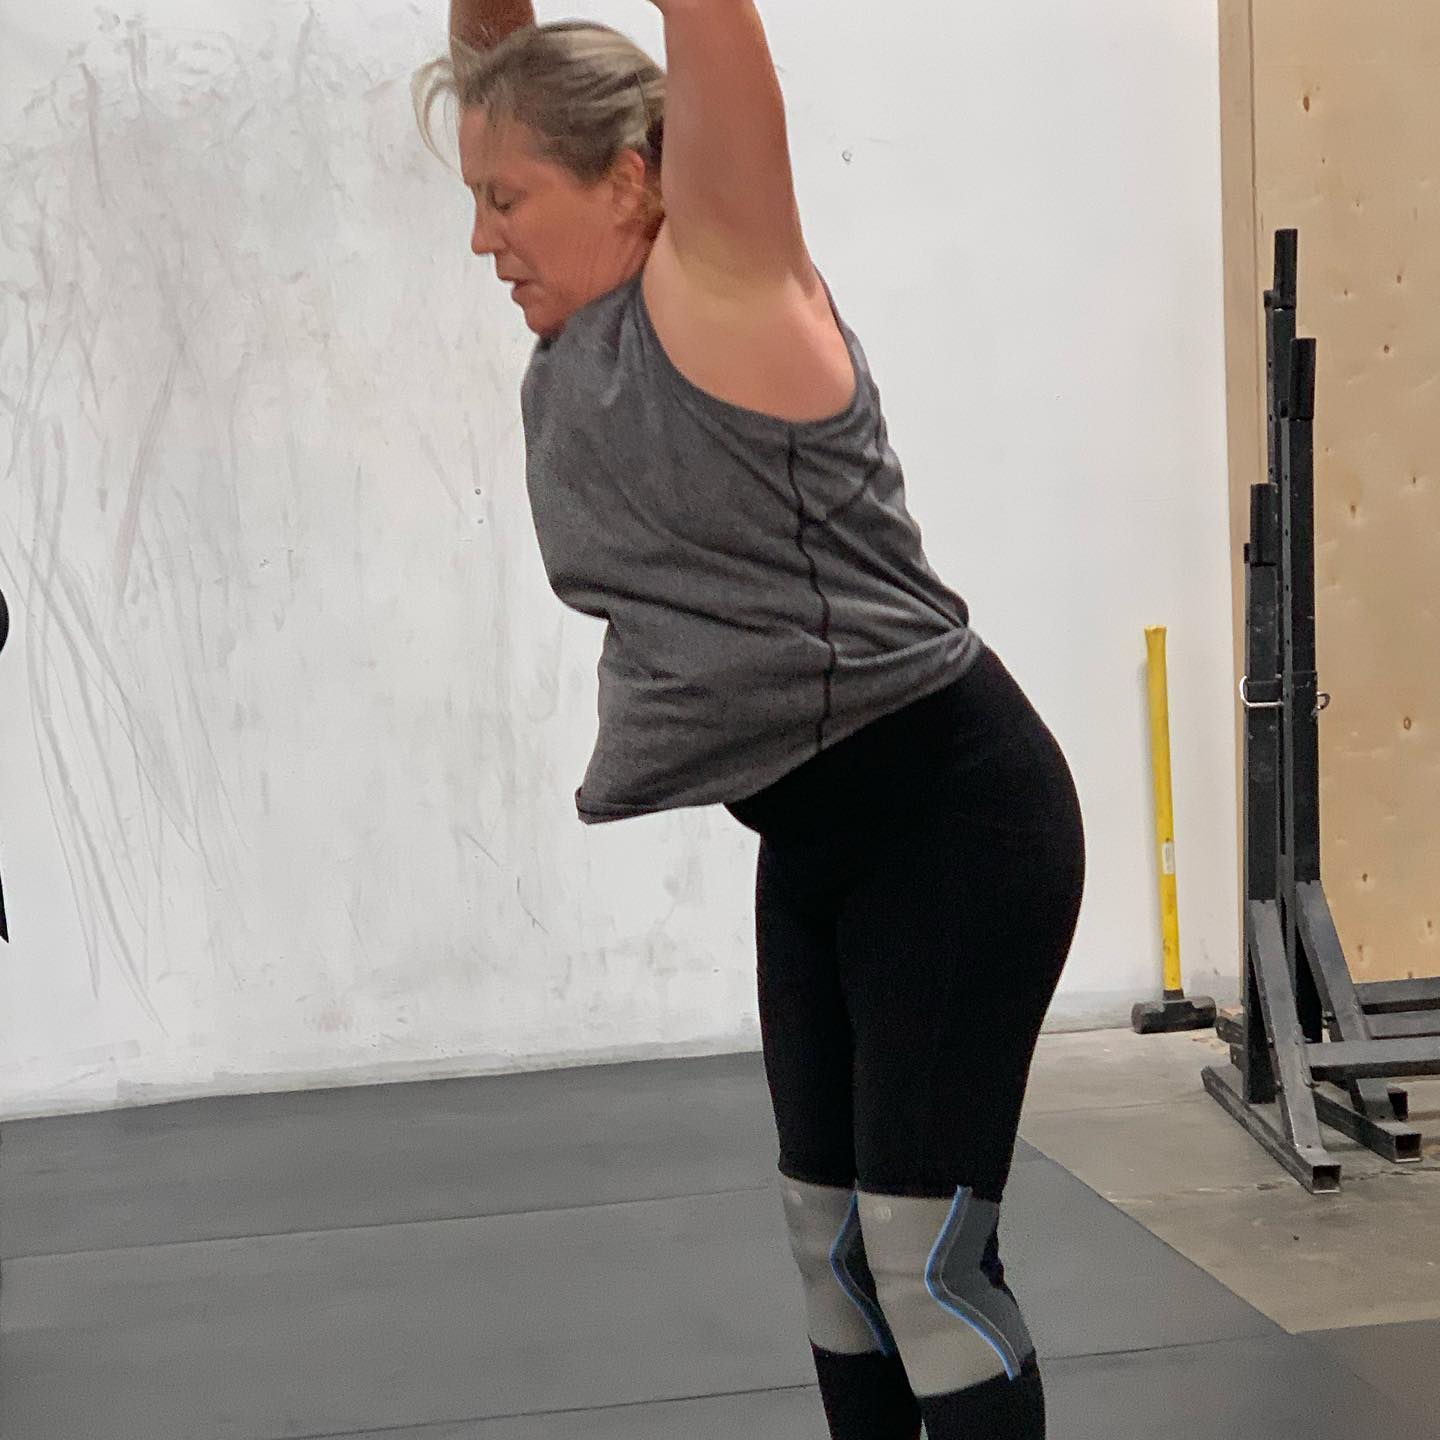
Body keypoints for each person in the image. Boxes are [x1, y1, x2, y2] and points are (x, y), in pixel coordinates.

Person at [414, 4, 1086, 1436]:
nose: (482, 240)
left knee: (925, 1262)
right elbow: (493, 58)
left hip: (954, 826)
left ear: (633, 180)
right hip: (819, 844)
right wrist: (491, 65)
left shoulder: (725, 280)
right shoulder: (590, 329)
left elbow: (710, 26)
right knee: (829, 1251)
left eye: (507, 199)